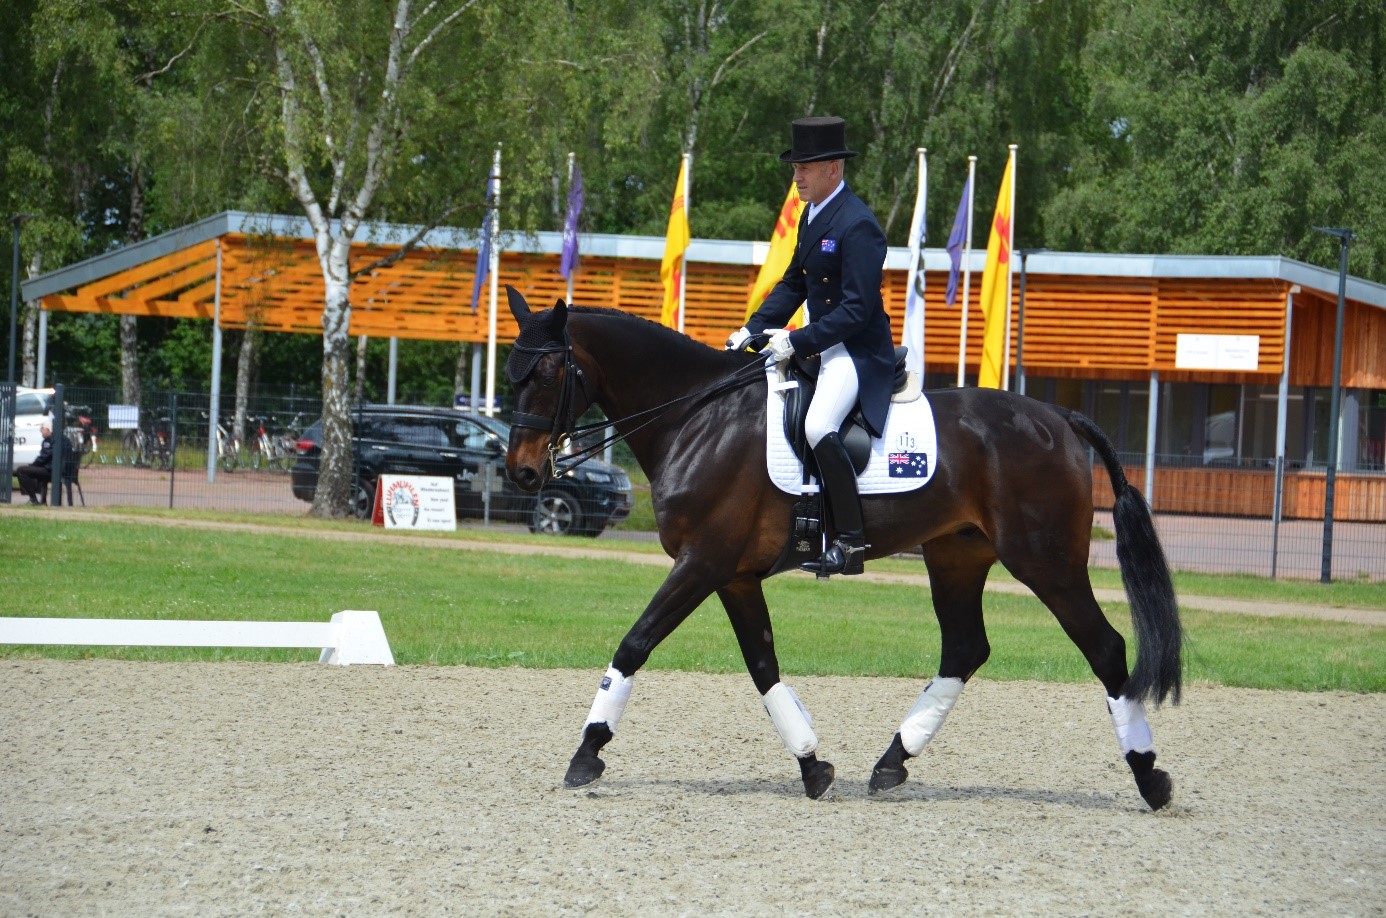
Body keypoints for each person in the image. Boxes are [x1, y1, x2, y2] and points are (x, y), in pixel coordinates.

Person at [726, 116, 895, 576]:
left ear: (833, 170)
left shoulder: (859, 224)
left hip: (856, 351)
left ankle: (851, 542)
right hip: (822, 345)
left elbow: (858, 310)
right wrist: (753, 329)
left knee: (820, 425)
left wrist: (796, 341)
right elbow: (795, 282)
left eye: (805, 167)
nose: (796, 176)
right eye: (795, 167)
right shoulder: (813, 214)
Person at [16, 420, 54, 505]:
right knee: (27, 470)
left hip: (50, 470)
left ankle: (33, 499)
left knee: (21, 471)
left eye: (42, 428)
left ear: (48, 429)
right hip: (51, 468)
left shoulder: (49, 440)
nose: (40, 430)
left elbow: (44, 457)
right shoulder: (54, 439)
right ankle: (40, 501)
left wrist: (33, 465)